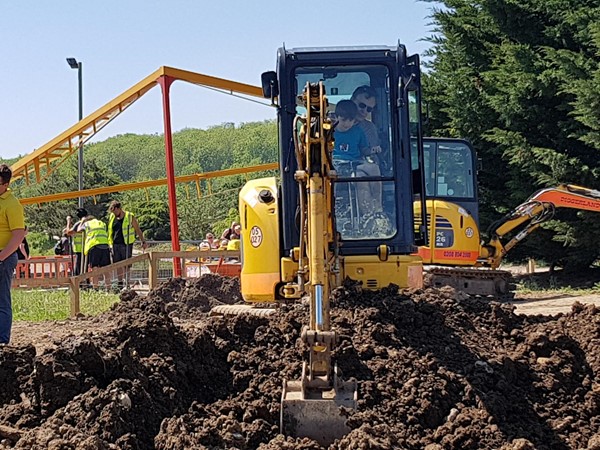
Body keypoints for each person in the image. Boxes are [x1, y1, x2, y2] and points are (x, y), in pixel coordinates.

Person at [333, 100, 382, 213]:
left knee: (363, 177)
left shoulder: (358, 131)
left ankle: (373, 211)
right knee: (372, 169)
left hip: (355, 164)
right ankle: (332, 209)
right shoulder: (329, 132)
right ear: (336, 117)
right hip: (336, 165)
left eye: (351, 120)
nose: (347, 124)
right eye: (344, 120)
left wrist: (372, 150)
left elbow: (364, 150)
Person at [0, 164, 26, 344]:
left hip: (4, 257)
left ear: (5, 183)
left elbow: (18, 235)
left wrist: (1, 257)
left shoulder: (12, 204)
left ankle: (2, 340)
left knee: (2, 300)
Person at [107, 200, 146, 289]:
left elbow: (137, 229)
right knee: (118, 264)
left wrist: (142, 241)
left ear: (119, 209)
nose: (113, 213)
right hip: (115, 244)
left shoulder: (129, 217)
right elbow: (110, 231)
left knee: (127, 264)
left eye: (114, 211)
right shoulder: (112, 217)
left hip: (126, 244)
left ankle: (127, 283)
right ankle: (120, 284)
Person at [77, 214, 111, 288]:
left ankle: (95, 288)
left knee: (95, 269)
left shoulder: (87, 223)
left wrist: (82, 221)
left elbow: (78, 229)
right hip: (105, 246)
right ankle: (108, 288)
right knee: (106, 269)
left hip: (94, 246)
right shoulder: (102, 223)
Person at [66, 208, 88, 276]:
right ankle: (85, 282)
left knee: (79, 268)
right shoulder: (88, 223)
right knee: (85, 267)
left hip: (79, 249)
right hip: (87, 247)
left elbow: (68, 232)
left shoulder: (79, 224)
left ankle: (80, 283)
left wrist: (68, 221)